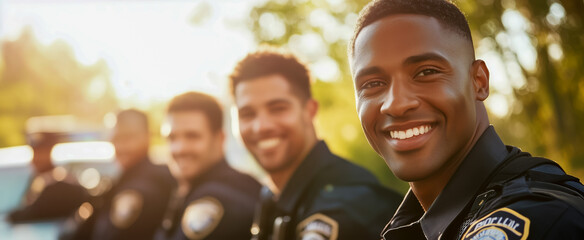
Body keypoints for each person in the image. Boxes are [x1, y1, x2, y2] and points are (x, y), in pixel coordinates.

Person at [348, 0, 584, 239]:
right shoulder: (415, 225)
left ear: (478, 81)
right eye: (373, 84)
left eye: (426, 72)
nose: (396, 104)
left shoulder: (537, 221)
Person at [229, 48, 403, 240]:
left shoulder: (346, 203)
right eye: (247, 114)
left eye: (278, 109)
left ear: (310, 111)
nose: (261, 126)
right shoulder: (271, 195)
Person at [153, 91, 261, 240]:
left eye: (192, 136)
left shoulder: (218, 199)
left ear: (220, 139)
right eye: (172, 138)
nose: (179, 148)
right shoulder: (238, 183)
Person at [69, 109, 175, 239]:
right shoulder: (124, 180)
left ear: (147, 137)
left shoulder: (147, 185)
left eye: (128, 137)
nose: (120, 146)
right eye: (116, 139)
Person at [8, 131, 89, 223]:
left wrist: (11, 216)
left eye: (40, 153)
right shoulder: (36, 179)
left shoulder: (59, 182)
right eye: (34, 153)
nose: (35, 158)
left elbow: (35, 213)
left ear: (49, 151)